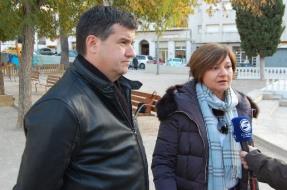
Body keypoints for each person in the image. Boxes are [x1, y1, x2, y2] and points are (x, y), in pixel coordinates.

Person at [14, 6, 149, 190]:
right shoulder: (61, 108)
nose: (132, 52)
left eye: (132, 43)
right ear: (93, 43)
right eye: (123, 42)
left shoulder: (116, 87)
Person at [151, 43, 259, 190]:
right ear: (199, 71)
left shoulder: (241, 105)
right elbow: (163, 162)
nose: (224, 73)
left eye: (227, 67)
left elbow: (248, 152)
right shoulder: (179, 106)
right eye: (214, 68)